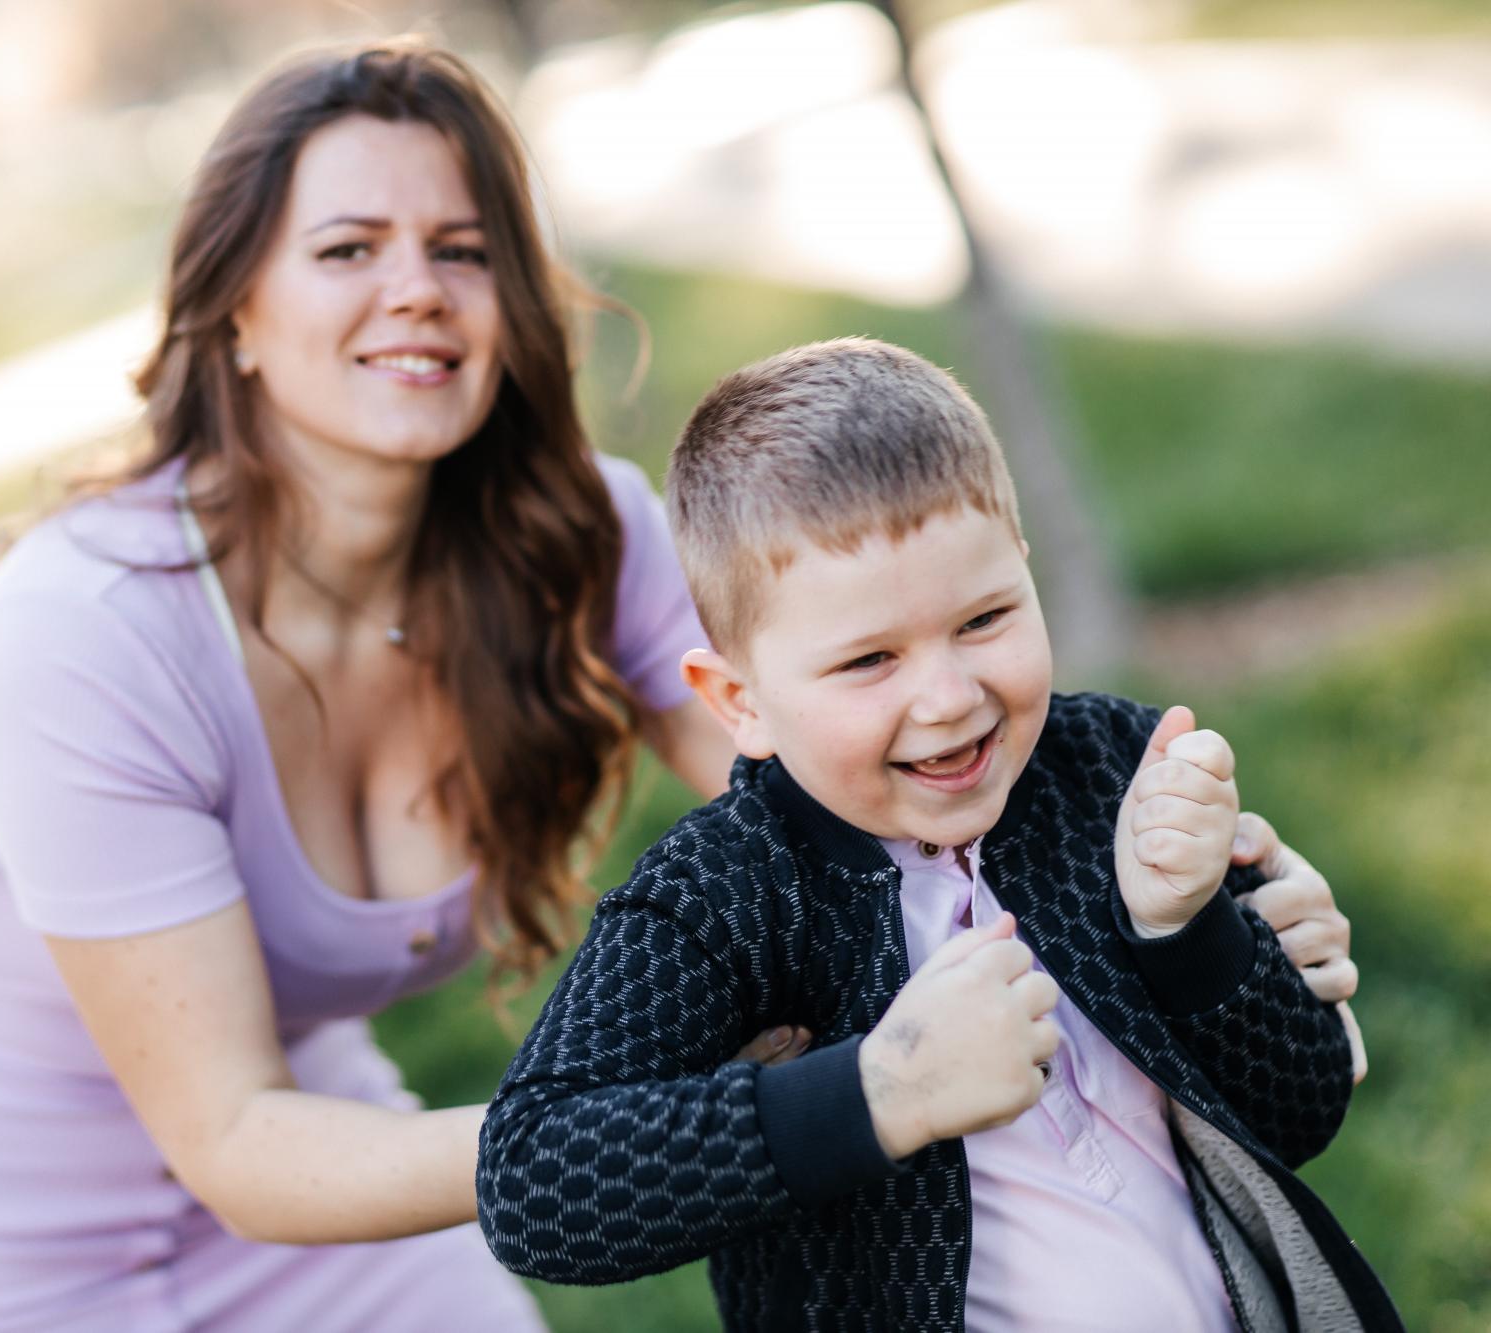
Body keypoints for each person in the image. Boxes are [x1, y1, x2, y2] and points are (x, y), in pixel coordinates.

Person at [0, 40, 1364, 1333]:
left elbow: (851, 810)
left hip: (334, 1148)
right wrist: (701, 1123)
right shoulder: (81, 631)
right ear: (233, 313)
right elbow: (232, 1144)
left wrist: (1187, 930)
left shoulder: (585, 536)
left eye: (462, 250)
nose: (416, 288)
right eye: (348, 249)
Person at [475, 338, 1399, 1331]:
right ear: (737, 700)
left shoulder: (1110, 775)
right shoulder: (725, 896)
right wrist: (882, 1089)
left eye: (983, 617)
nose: (949, 697)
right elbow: (531, 1185)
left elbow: (1296, 1108)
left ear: (1024, 572)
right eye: (869, 659)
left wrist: (1187, 933)